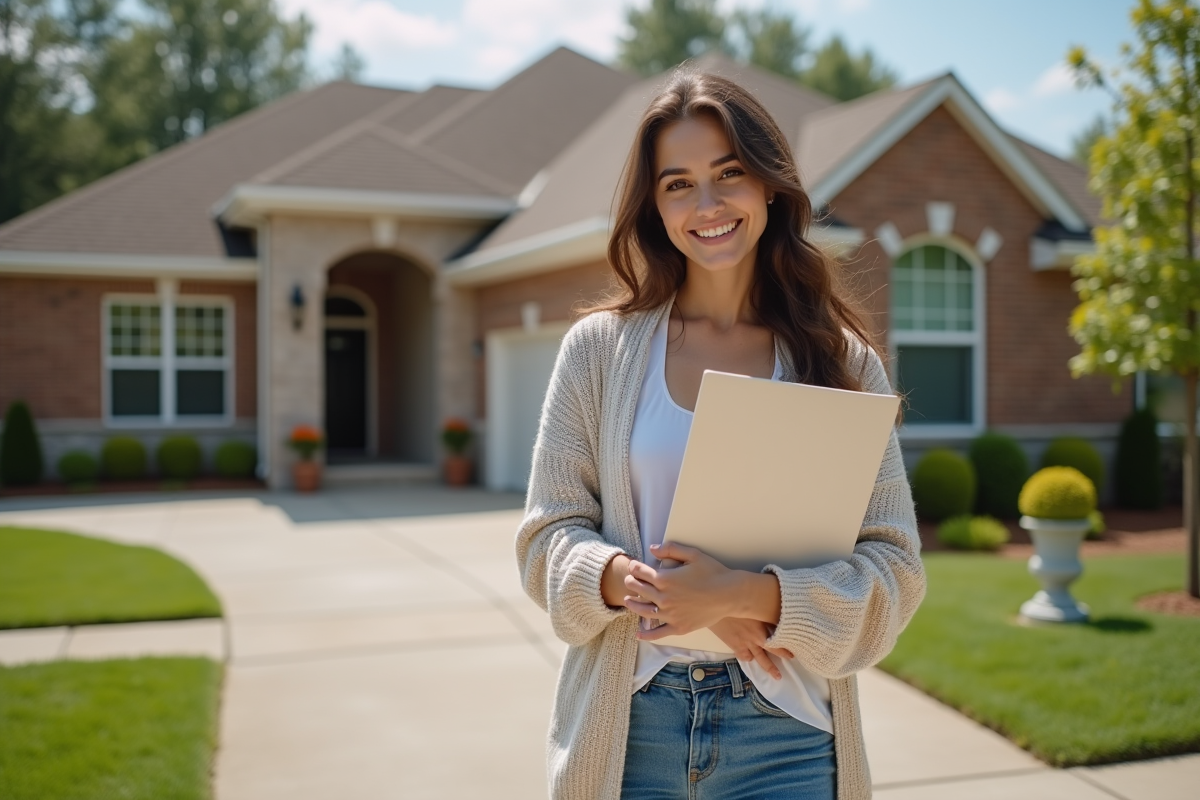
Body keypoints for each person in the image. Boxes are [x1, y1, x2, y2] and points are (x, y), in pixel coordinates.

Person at [515, 69, 925, 800]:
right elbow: (547, 540)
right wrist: (647, 589)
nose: (707, 204)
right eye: (678, 183)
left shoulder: (839, 363)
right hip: (630, 730)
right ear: (656, 206)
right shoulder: (598, 353)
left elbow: (894, 573)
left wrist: (744, 596)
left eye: (729, 173)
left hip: (787, 734)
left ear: (769, 185)